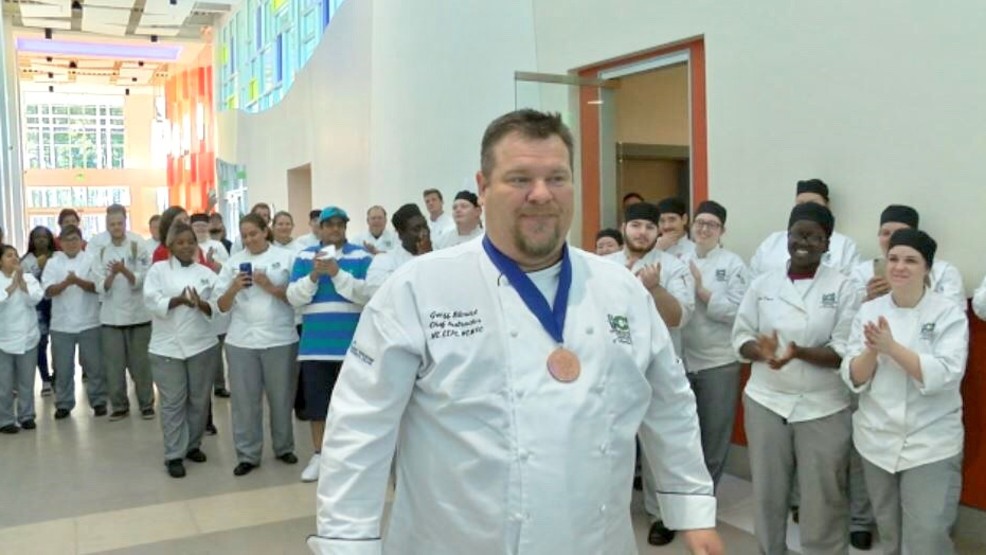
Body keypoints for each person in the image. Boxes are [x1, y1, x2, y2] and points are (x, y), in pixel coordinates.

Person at [307, 109, 722, 555]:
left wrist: (692, 511)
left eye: (557, 178)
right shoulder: (418, 288)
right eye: (520, 179)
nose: (541, 194)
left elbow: (669, 403)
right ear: (483, 187)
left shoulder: (620, 289)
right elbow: (361, 424)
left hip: (595, 542)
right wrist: (347, 542)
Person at [732, 202, 860, 555]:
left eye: (814, 236)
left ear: (827, 243)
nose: (803, 242)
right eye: (797, 234)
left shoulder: (844, 287)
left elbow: (843, 350)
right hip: (766, 401)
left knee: (824, 495)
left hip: (823, 406)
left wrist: (797, 352)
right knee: (768, 490)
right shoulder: (763, 284)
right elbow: (741, 336)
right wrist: (761, 351)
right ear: (787, 237)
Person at [842, 229, 967, 555]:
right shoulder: (869, 310)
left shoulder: (948, 313)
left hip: (930, 443)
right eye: (893, 259)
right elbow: (854, 376)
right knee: (889, 532)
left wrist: (891, 347)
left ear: (927, 268)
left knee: (928, 535)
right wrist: (872, 350)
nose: (899, 267)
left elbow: (946, 374)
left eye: (911, 260)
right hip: (876, 439)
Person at [604, 200, 695, 546]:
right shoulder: (603, 266)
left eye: (649, 227)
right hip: (612, 370)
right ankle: (610, 510)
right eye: (635, 225)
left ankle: (662, 515)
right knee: (611, 443)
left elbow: (678, 318)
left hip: (658, 369)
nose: (642, 232)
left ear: (658, 232)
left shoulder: (673, 267)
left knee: (660, 446)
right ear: (623, 227)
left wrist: (654, 288)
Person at [287, 206, 373, 482]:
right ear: (320, 229)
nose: (335, 229)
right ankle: (320, 455)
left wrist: (336, 273)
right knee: (318, 406)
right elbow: (294, 297)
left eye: (340, 224)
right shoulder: (304, 257)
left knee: (352, 407)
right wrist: (314, 275)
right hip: (315, 347)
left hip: (352, 349)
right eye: (330, 224)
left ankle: (350, 458)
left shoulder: (362, 256)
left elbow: (367, 295)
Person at [218, 214, 300, 476]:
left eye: (254, 233)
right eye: (245, 235)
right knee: (244, 402)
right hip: (241, 341)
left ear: (266, 231)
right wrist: (233, 288)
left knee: (281, 397)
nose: (250, 239)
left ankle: (284, 447)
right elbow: (221, 306)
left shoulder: (287, 257)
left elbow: (298, 298)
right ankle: (247, 454)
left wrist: (270, 286)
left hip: (280, 338)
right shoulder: (233, 263)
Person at [679, 200, 749, 491]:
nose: (704, 229)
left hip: (719, 362)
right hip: (683, 360)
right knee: (685, 433)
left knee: (714, 434)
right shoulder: (679, 259)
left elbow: (739, 311)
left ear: (722, 231)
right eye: (700, 223)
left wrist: (702, 291)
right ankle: (686, 492)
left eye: (712, 225)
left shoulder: (733, 264)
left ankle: (707, 494)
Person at [144, 222, 222, 478]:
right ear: (170, 246)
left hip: (202, 345)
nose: (186, 246)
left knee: (199, 400)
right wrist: (177, 300)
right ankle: (174, 454)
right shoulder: (158, 270)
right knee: (173, 402)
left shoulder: (206, 273)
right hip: (166, 347)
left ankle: (192, 445)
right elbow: (151, 301)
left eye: (190, 242)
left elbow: (219, 306)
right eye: (180, 242)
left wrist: (201, 303)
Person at [91, 205, 155, 421]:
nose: (116, 227)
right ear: (107, 225)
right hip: (111, 318)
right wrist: (112, 274)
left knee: (142, 366)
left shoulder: (138, 245)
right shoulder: (101, 251)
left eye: (119, 223)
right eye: (112, 224)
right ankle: (119, 406)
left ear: (125, 222)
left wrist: (124, 270)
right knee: (113, 367)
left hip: (138, 316)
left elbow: (144, 279)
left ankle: (146, 404)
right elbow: (99, 285)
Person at [42, 224, 106, 419]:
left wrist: (77, 281)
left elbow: (98, 287)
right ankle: (64, 403)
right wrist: (66, 283)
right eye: (67, 240)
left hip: (90, 322)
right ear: (60, 243)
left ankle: (98, 401)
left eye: (75, 239)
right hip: (61, 325)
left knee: (95, 367)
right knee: (63, 368)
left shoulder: (91, 259)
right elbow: (47, 291)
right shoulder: (53, 263)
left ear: (81, 241)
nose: (71, 244)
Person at [851, 205, 965, 310]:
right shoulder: (862, 271)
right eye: (885, 233)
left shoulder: (944, 271)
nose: (892, 239)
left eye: (900, 232)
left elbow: (956, 312)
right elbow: (849, 315)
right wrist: (869, 298)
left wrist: (919, 291)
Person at [749, 179, 860, 277]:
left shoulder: (844, 245)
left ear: (827, 205)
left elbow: (854, 285)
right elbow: (753, 279)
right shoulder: (772, 242)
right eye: (801, 204)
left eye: (813, 203)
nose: (807, 208)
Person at [0, 244, 44, 433]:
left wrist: (23, 284)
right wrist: (12, 286)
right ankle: (5, 420)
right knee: (4, 384)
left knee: (26, 382)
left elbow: (36, 298)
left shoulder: (28, 278)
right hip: (3, 340)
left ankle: (27, 416)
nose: (14, 258)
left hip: (28, 338)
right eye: (9, 255)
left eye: (16, 255)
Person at [364, 203, 432, 297]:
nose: (424, 233)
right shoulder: (383, 260)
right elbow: (375, 292)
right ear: (400, 234)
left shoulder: (438, 256)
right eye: (416, 229)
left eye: (425, 227)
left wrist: (428, 257)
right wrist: (420, 261)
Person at [20, 226, 56, 396]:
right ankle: (45, 379)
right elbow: (24, 283)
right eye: (37, 237)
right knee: (41, 343)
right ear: (32, 241)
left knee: (60, 343)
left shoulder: (58, 256)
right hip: (38, 307)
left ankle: (58, 376)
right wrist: (38, 267)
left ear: (50, 239)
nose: (41, 240)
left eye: (44, 237)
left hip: (58, 305)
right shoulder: (26, 260)